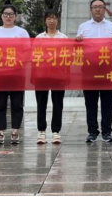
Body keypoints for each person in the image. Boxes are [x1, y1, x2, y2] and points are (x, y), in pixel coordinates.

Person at [76, 0, 112, 143]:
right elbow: (78, 50)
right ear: (91, 9)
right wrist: (77, 42)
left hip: (108, 69)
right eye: (95, 7)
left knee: (107, 102)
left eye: (101, 7)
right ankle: (92, 132)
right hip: (89, 69)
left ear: (104, 9)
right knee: (90, 102)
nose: (98, 9)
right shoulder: (83, 27)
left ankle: (107, 132)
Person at [0, 1, 30, 145]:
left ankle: (15, 131)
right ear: (1, 16)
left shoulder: (22, 32)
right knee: (0, 103)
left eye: (11, 14)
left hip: (17, 73)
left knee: (17, 103)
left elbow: (27, 52)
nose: (8, 17)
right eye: (6, 14)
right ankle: (0, 131)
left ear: (15, 16)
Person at [35, 9, 67, 145]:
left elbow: (67, 58)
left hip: (58, 76)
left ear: (58, 20)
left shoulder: (63, 38)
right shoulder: (39, 38)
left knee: (58, 104)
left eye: (54, 18)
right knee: (41, 103)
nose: (51, 21)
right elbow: (34, 57)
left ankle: (56, 131)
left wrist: (66, 75)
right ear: (45, 21)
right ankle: (41, 131)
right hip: (42, 75)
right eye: (49, 18)